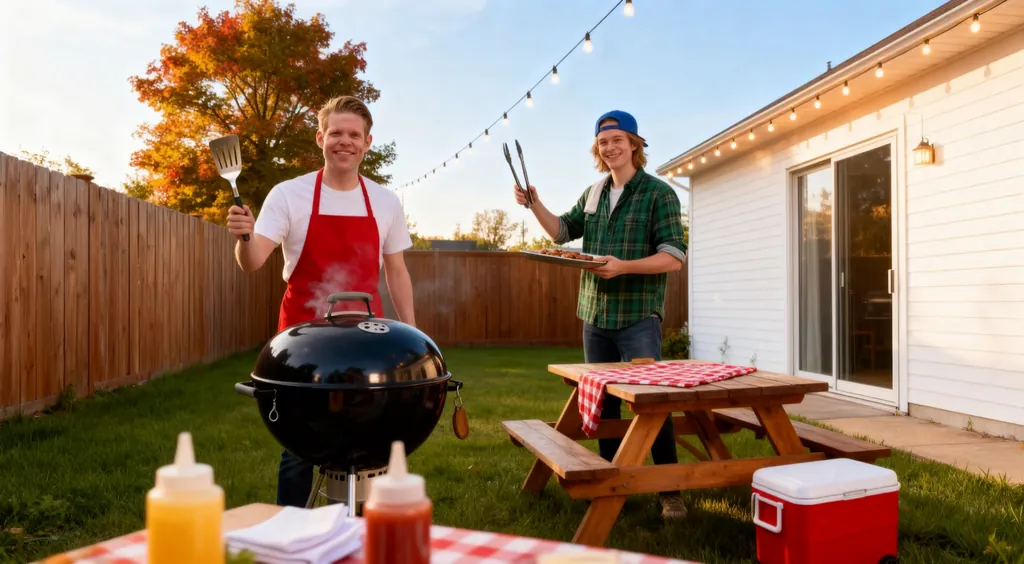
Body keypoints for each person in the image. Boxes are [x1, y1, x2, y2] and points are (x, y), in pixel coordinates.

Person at [226, 95, 415, 507]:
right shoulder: (289, 195)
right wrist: (244, 235)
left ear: (367, 142)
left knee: (367, 442)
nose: (344, 141)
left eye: (353, 134)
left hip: (367, 343)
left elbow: (396, 271)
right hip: (302, 344)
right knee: (300, 447)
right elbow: (252, 261)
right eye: (336, 133)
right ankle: (293, 537)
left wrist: (413, 334)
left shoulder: (385, 201)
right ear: (320, 138)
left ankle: (359, 534)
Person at [512, 110, 688, 519]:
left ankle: (669, 491)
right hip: (595, 314)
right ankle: (612, 481)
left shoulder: (659, 194)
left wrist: (623, 265)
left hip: (638, 315)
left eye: (617, 140)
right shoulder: (593, 193)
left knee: (652, 402)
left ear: (634, 145)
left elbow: (674, 257)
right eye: (603, 143)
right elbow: (561, 233)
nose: (610, 148)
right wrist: (534, 203)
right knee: (604, 404)